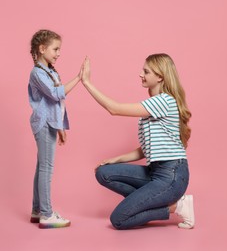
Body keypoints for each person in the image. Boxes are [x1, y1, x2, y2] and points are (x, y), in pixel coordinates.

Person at [81, 54, 195, 230]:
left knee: (118, 219)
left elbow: (115, 109)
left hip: (171, 176)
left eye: (146, 71)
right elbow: (146, 150)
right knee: (103, 172)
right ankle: (144, 203)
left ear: (160, 76)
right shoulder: (153, 104)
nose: (141, 74)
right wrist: (117, 159)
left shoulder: (164, 101)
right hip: (155, 172)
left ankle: (176, 207)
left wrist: (87, 82)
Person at [28, 29, 82, 229]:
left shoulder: (50, 71)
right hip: (43, 124)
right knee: (46, 168)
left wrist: (60, 127)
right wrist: (79, 78)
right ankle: (47, 214)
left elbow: (57, 105)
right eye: (55, 49)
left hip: (51, 124)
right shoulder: (37, 73)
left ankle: (37, 210)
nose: (59, 53)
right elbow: (55, 94)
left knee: (41, 167)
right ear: (42, 49)